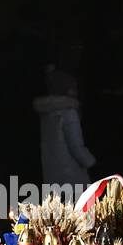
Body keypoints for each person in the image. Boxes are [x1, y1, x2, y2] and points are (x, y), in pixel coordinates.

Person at [33, 62, 96, 200]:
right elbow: (75, 146)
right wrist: (91, 162)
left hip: (51, 176)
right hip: (73, 177)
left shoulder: (46, 114)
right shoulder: (69, 113)